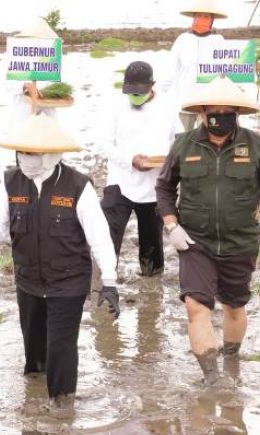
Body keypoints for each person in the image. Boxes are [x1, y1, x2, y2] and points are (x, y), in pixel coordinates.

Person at [0, 113, 120, 408]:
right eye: (22, 152)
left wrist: (109, 282)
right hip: (29, 280)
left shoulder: (77, 187)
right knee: (34, 348)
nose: (26, 158)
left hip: (68, 281)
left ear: (52, 154)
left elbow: (99, 237)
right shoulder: (11, 182)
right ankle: (33, 399)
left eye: (33, 153)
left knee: (61, 346)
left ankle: (63, 408)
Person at [155, 76, 260, 386]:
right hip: (194, 241)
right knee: (195, 306)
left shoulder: (256, 145)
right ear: (202, 112)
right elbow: (163, 188)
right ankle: (212, 378)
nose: (220, 116)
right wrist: (171, 225)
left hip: (240, 241)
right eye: (215, 110)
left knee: (234, 307)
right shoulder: (183, 144)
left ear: (237, 113)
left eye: (228, 111)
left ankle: (231, 357)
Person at [102, 61, 177, 276]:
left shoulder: (168, 106)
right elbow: (103, 143)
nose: (135, 96)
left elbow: (177, 141)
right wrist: (129, 160)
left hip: (155, 186)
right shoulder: (114, 106)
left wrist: (167, 162)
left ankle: (152, 292)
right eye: (130, 92)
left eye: (140, 92)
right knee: (107, 236)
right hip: (120, 181)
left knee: (152, 244)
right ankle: (103, 283)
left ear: (152, 85)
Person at [166, 0, 227, 131]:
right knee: (182, 139)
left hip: (209, 102)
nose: (202, 19)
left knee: (207, 139)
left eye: (206, 17)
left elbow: (226, 72)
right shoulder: (182, 40)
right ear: (193, 18)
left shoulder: (218, 41)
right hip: (184, 101)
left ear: (212, 20)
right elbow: (169, 70)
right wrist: (159, 94)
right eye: (199, 16)